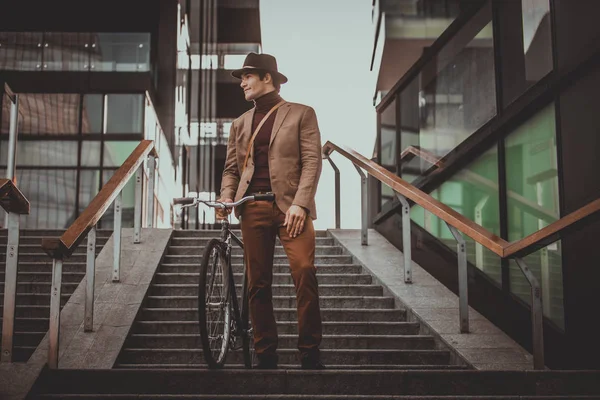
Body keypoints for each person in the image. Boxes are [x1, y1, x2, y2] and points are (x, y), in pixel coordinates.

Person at [217, 52, 324, 370]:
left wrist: (301, 204)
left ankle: (309, 350)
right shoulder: (239, 124)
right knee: (258, 284)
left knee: (304, 271)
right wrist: (226, 197)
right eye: (242, 78)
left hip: (291, 207)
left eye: (247, 76)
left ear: (268, 78)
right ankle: (265, 352)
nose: (243, 83)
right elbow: (231, 169)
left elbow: (312, 161)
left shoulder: (302, 113)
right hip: (251, 208)